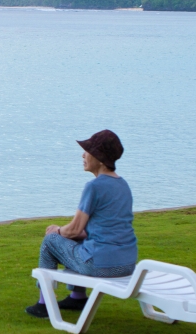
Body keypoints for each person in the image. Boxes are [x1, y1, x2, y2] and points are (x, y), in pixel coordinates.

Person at [26, 129, 138, 318]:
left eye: (88, 151)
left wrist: (57, 230)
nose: (83, 155)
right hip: (127, 264)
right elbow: (95, 230)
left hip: (101, 264)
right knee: (81, 242)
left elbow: (75, 229)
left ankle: (44, 303)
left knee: (50, 241)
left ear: (100, 159)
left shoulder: (94, 187)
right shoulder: (123, 185)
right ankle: (77, 297)